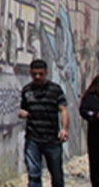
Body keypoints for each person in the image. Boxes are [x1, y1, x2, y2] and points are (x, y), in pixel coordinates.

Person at [19, 58, 69, 187]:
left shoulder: (55, 90)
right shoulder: (27, 90)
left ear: (46, 73)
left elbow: (63, 110)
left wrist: (64, 129)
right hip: (33, 139)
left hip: (52, 139)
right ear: (30, 73)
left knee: (56, 175)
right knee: (33, 174)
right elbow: (23, 109)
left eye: (40, 74)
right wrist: (22, 113)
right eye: (34, 74)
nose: (37, 77)